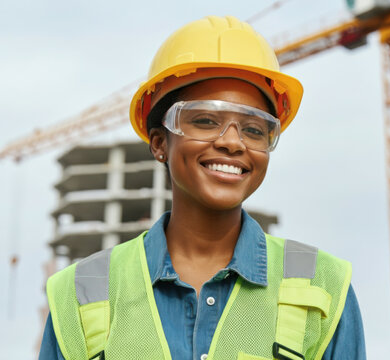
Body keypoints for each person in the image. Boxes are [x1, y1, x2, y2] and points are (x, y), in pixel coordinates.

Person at [39, 15, 366, 360]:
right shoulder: (80, 292)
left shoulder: (324, 287)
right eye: (205, 121)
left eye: (254, 129)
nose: (232, 142)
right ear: (159, 142)